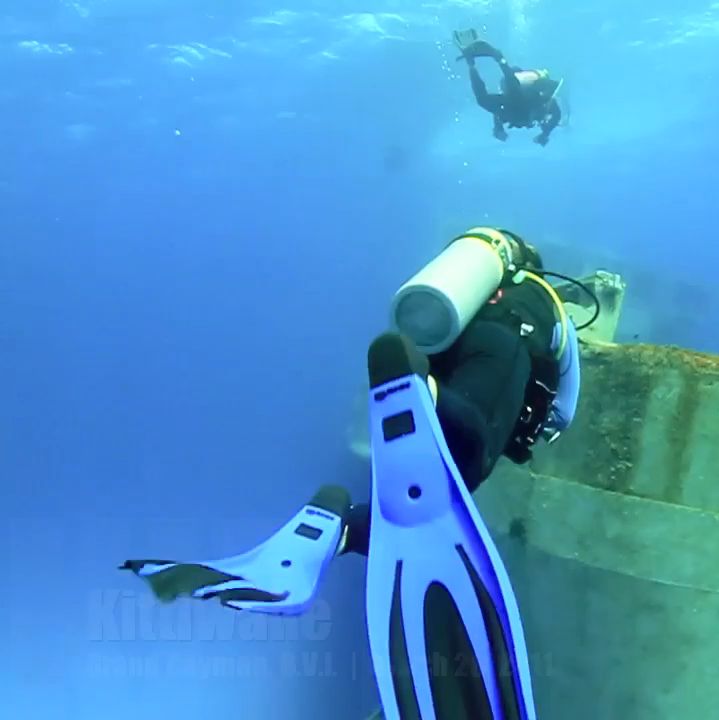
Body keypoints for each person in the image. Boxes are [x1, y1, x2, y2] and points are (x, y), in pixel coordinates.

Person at [120, 227, 583, 720]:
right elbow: (564, 408)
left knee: (418, 497)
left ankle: (331, 526)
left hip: (444, 352)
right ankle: (422, 393)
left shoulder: (472, 296)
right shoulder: (546, 303)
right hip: (500, 351)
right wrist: (544, 425)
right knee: (468, 462)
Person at [453, 29, 563, 146]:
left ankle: (479, 64)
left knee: (486, 99)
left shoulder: (534, 96)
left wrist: (545, 134)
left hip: (518, 106)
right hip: (520, 106)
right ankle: (485, 62)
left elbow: (554, 110)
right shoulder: (538, 100)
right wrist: (545, 134)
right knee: (493, 97)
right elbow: (555, 112)